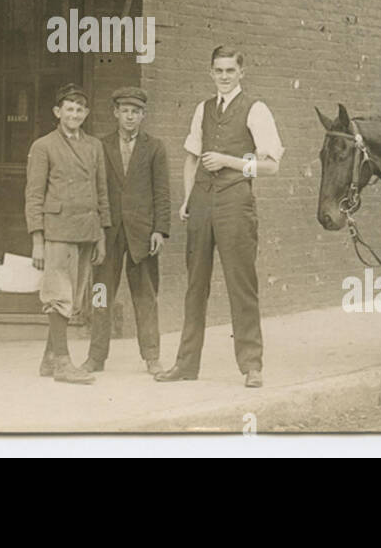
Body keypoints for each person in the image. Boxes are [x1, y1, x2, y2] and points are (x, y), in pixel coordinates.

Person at [156, 46, 283, 388]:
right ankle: (186, 364)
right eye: (218, 71)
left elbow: (271, 165)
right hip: (201, 204)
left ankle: (251, 366)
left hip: (235, 204)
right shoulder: (203, 108)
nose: (224, 76)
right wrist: (188, 199)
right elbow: (190, 159)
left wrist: (230, 161)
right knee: (195, 286)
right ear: (210, 73)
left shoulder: (256, 109)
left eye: (230, 70)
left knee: (241, 285)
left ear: (242, 72)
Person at [81, 87, 170, 376]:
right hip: (107, 234)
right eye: (125, 111)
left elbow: (162, 193)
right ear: (115, 113)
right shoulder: (100, 145)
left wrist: (160, 231)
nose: (130, 117)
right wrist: (96, 232)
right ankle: (96, 358)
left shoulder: (155, 147)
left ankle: (152, 357)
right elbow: (93, 190)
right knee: (100, 293)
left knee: (146, 296)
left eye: (136, 112)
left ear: (143, 115)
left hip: (142, 234)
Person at [25, 84, 110, 384]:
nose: (74, 114)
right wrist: (37, 240)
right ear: (57, 112)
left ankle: (49, 360)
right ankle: (62, 362)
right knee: (58, 295)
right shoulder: (43, 146)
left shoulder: (94, 146)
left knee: (73, 297)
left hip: (86, 230)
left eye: (79, 109)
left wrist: (101, 232)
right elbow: (34, 195)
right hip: (58, 231)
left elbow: (102, 192)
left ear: (86, 114)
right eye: (68, 109)